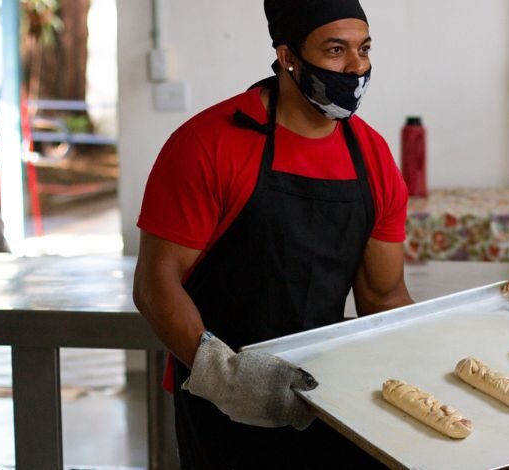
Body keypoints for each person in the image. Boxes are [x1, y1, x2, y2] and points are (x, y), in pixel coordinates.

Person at [133, 0, 413, 467]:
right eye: (336, 50)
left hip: (330, 398)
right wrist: (227, 379)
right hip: (223, 408)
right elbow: (155, 283)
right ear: (287, 56)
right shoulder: (209, 143)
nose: (356, 66)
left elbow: (383, 298)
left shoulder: (373, 155)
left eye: (364, 49)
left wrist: (423, 369)